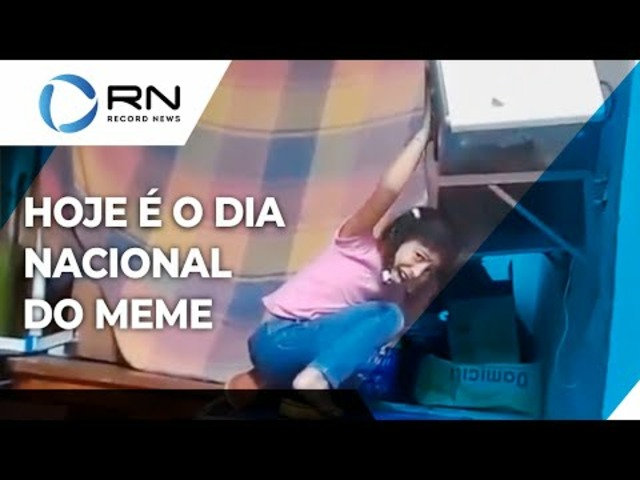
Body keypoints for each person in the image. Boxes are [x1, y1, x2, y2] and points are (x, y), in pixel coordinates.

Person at [226, 115, 460, 416]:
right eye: (418, 257)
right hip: (280, 338)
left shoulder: (398, 295)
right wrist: (422, 137)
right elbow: (387, 190)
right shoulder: (357, 244)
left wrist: (430, 284)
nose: (417, 272)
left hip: (288, 362)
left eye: (427, 271)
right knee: (388, 315)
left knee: (376, 342)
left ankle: (263, 390)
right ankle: (314, 381)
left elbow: (398, 327)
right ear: (402, 235)